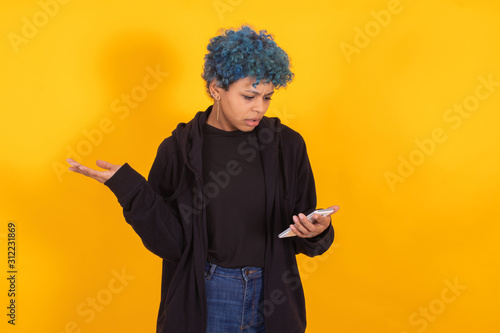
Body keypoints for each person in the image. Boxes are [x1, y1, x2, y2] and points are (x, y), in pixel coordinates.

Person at [67, 25, 339, 333]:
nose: (259, 108)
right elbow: (170, 243)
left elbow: (305, 237)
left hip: (273, 296)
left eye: (267, 97)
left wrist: (317, 231)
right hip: (207, 296)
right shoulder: (178, 151)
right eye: (248, 96)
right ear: (216, 88)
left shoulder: (287, 146)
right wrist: (128, 188)